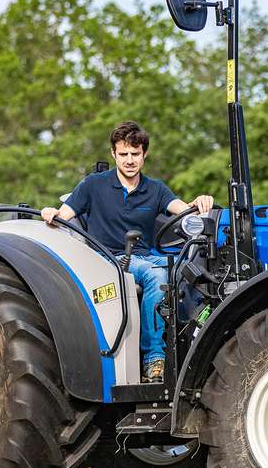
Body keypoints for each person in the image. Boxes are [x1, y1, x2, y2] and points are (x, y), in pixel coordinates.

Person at [40, 121, 213, 383]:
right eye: (123, 154)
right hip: (108, 258)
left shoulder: (155, 189)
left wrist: (200, 202)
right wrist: (50, 213)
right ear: (114, 154)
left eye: (135, 154)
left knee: (193, 270)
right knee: (157, 275)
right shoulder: (94, 185)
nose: (129, 160)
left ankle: (192, 343)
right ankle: (154, 357)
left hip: (143, 255)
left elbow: (183, 208)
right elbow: (63, 215)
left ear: (144, 154)